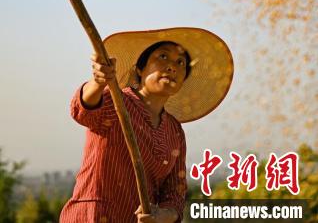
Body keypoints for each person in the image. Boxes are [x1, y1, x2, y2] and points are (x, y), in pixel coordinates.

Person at [60, 27, 233, 222]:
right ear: (139, 69)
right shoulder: (116, 102)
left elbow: (174, 195)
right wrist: (98, 82)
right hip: (93, 217)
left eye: (180, 62)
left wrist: (161, 215)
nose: (172, 67)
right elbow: (83, 111)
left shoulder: (174, 131)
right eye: (163, 57)